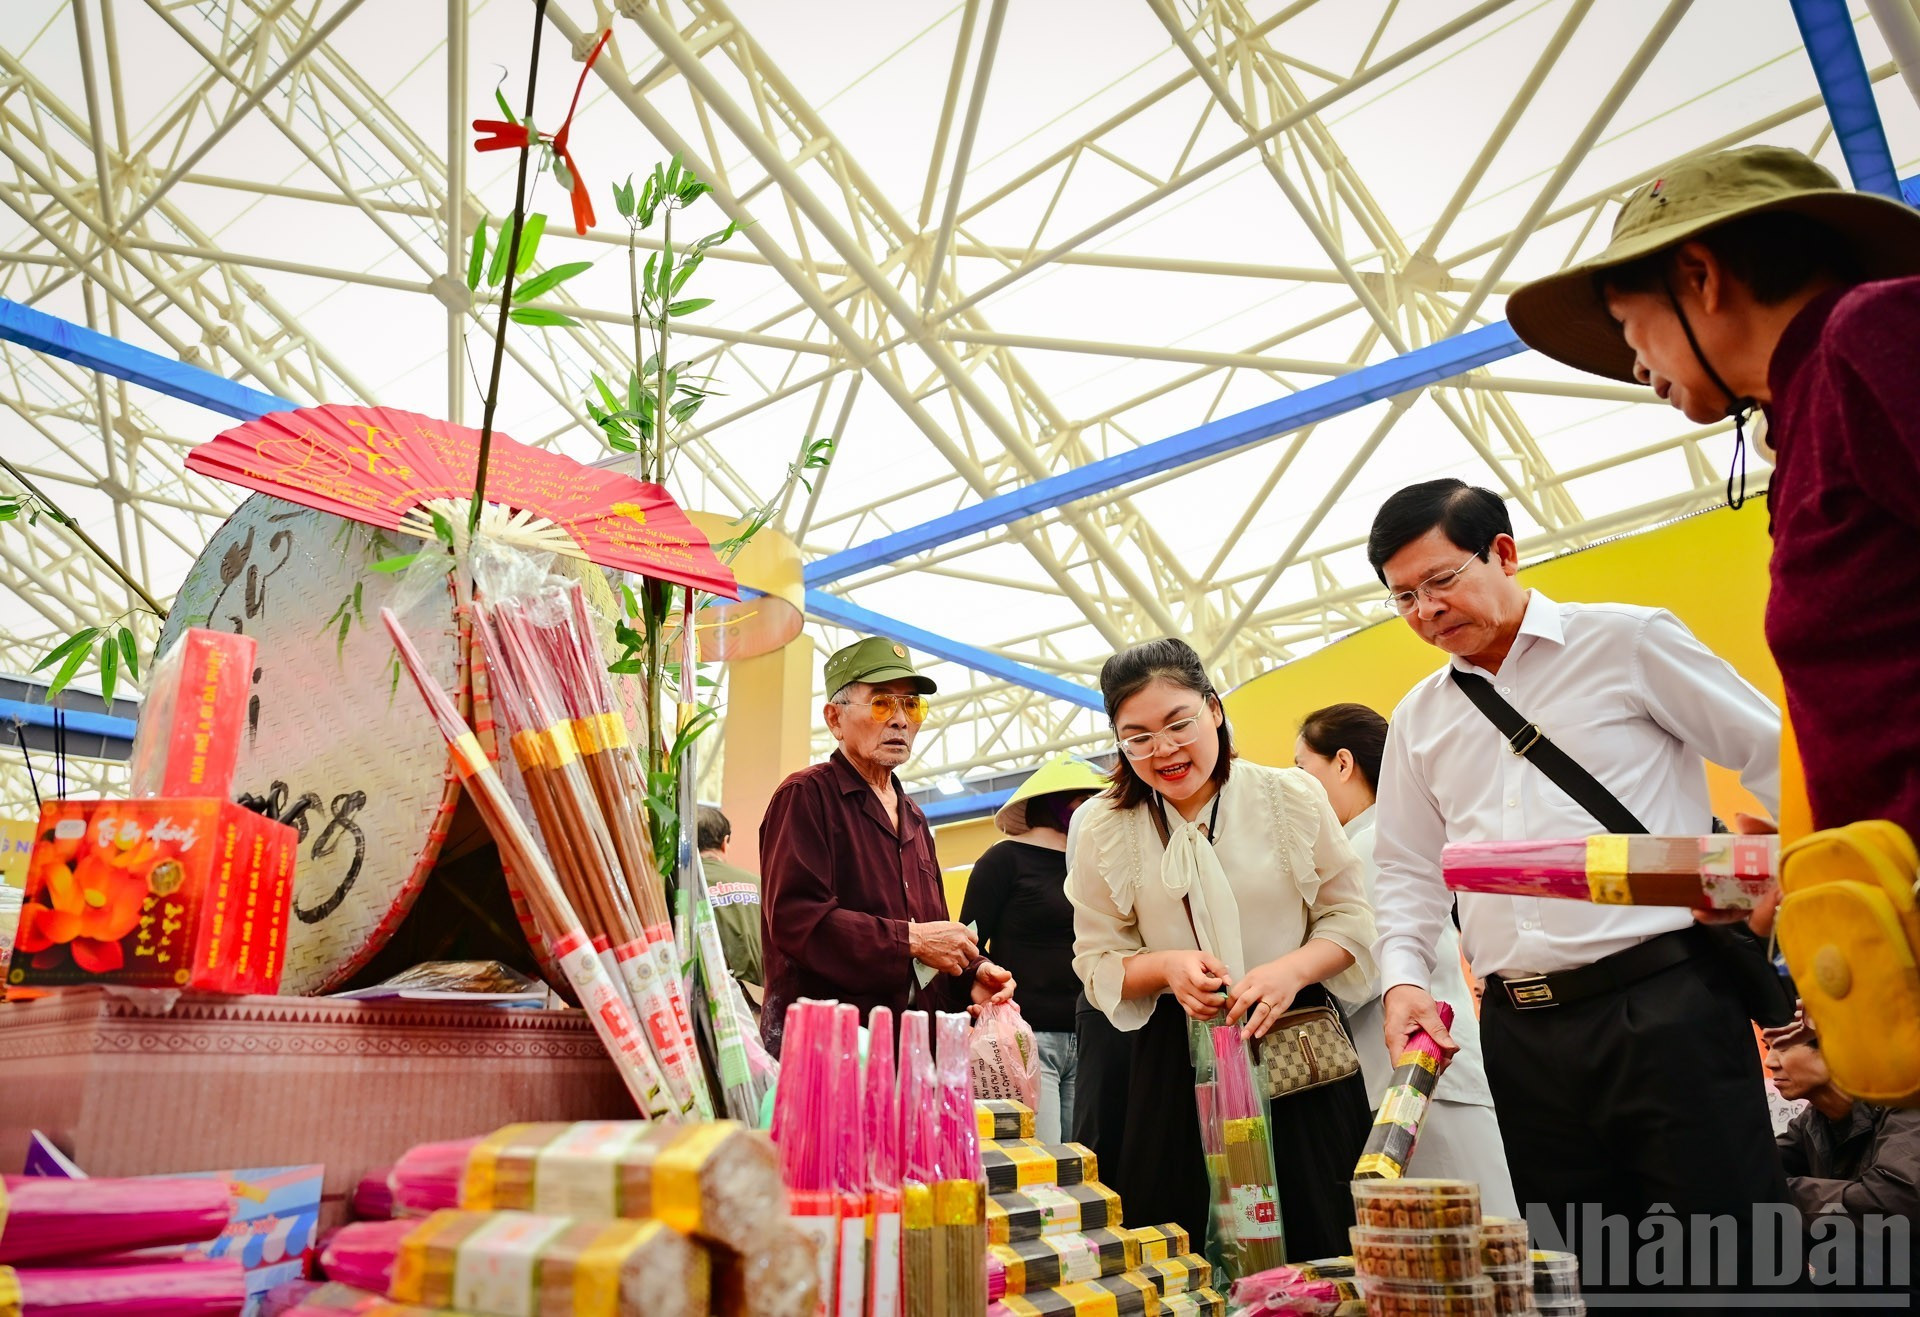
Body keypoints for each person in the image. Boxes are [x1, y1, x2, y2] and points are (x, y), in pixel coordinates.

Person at [1366, 478, 1789, 1307]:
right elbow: (1407, 869)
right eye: (1404, 597)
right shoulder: (1419, 717)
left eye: (1442, 580)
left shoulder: (1626, 642)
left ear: (1504, 552)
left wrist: (1784, 868)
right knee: (1585, 1273)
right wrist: (1404, 978)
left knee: (1733, 1261)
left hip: (1665, 1002)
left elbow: (1770, 747)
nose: (1426, 610)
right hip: (1523, 1033)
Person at [1504, 144, 1920, 841]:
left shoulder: (1871, 333)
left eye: (1626, 324)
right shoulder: (1805, 418)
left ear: (1700, 277)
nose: (1638, 369)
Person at [1067, 637, 1377, 1258]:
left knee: (1318, 1233)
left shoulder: (1291, 796)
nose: (1163, 749)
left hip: (1294, 1048)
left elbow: (1349, 918)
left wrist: (1290, 971)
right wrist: (1166, 967)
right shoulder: (1101, 824)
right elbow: (1096, 961)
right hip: (1177, 1064)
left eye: (1178, 723)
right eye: (1138, 737)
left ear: (1213, 709)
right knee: (1186, 1238)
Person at [1295, 702, 1516, 1215]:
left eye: (1302, 769)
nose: (1297, 787)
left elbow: (1361, 971)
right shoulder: (1374, 841)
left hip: (1422, 1075)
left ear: (1343, 764)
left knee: (1468, 1233)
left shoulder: (1370, 847)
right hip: (1413, 1074)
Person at [758, 636, 1014, 1055]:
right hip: (831, 1052)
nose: (899, 720)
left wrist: (972, 973)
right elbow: (797, 921)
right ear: (835, 718)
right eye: (881, 704)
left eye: (911, 705)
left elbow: (932, 931)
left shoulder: (915, 817)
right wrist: (911, 940)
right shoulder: (806, 795)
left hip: (914, 1051)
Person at [960, 753, 1107, 1143]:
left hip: (1091, 1034)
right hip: (1026, 1036)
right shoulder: (1003, 859)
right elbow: (967, 945)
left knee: (1085, 1162)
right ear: (1054, 802)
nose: (1093, 809)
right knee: (1040, 1159)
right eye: (1084, 800)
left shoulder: (1094, 866)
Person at [1767, 1008, 1919, 1291]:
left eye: (1783, 1048)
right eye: (1768, 1048)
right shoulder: (1812, 1121)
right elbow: (1759, 1166)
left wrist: (1781, 1192)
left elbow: (1896, 1199)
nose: (1770, 1062)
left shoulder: (1906, 1102)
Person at [697, 805, 763, 1008]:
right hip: (756, 1003)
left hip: (702, 1003)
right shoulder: (759, 884)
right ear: (725, 843)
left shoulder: (676, 884)